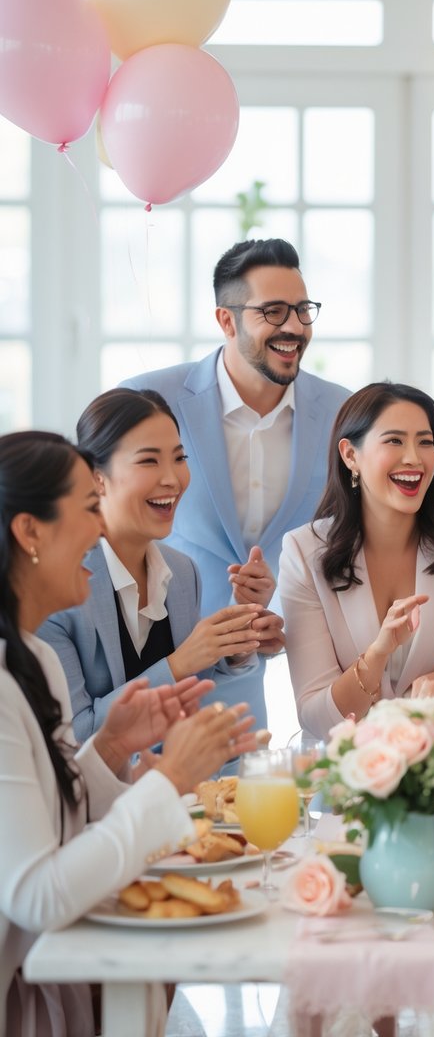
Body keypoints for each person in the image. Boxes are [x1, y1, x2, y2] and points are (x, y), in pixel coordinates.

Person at [0, 430, 256, 1037]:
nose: (101, 530)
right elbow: (36, 894)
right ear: (30, 532)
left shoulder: (31, 658)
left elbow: (51, 817)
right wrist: (168, 779)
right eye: (91, 508)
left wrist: (111, 749)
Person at [121, 237, 350, 728]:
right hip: (149, 669)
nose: (294, 327)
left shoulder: (343, 415)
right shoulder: (147, 400)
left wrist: (282, 614)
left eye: (303, 309)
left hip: (250, 680)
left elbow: (350, 543)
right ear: (226, 320)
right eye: (273, 311)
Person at [37, 388, 283, 745]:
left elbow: (193, 702)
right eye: (149, 461)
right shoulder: (55, 590)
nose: (172, 478)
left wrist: (237, 644)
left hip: (175, 793)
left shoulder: (182, 572)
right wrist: (178, 664)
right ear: (96, 478)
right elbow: (75, 736)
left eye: (179, 458)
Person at [279, 382, 434, 738]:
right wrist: (377, 654)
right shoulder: (304, 552)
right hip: (343, 770)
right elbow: (315, 714)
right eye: (394, 441)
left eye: (425, 442)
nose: (414, 458)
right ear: (350, 455)